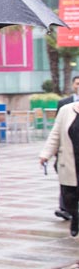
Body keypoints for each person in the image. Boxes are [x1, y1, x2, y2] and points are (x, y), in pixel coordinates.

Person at [40, 100, 79, 235]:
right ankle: (75, 216)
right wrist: (46, 154)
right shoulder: (66, 110)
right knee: (69, 196)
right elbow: (55, 134)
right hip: (69, 160)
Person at [53, 76, 79, 221]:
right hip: (67, 151)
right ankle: (67, 210)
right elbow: (57, 130)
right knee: (67, 183)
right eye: (77, 83)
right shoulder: (65, 105)